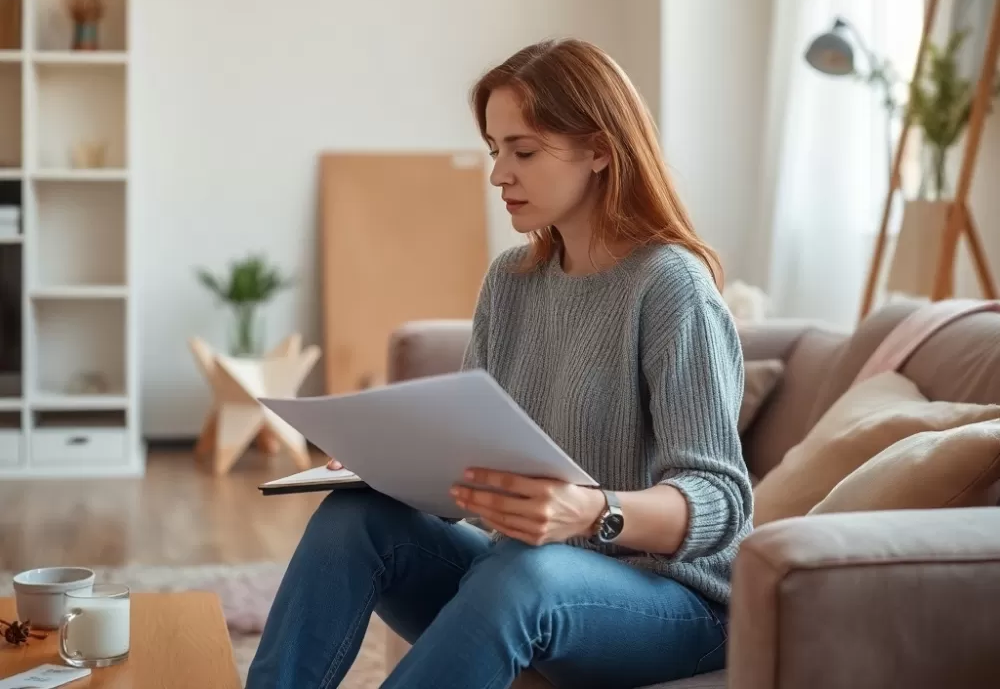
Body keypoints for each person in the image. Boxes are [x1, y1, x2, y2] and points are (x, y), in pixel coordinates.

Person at [246, 39, 753, 689]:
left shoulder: (669, 285)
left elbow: (722, 502)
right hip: (533, 573)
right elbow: (473, 456)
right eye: (494, 150)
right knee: (355, 522)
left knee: (522, 572)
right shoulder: (511, 281)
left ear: (599, 149)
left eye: (524, 150)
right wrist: (395, 465)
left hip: (679, 607)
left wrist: (593, 511)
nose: (497, 175)